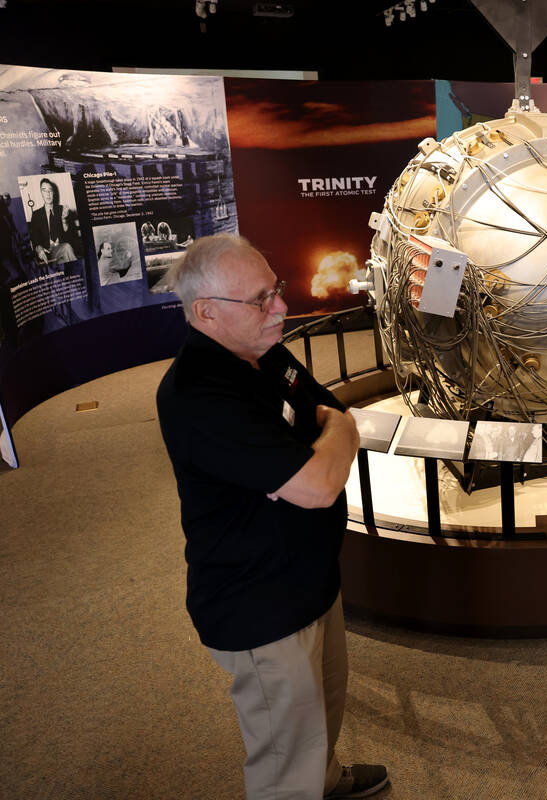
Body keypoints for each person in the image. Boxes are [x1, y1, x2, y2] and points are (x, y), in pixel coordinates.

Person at [156, 234, 389, 800]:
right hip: (260, 605)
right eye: (260, 299)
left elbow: (327, 411)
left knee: (323, 712)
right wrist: (337, 435)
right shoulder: (200, 396)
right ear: (205, 312)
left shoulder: (263, 352)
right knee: (287, 753)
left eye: (276, 290)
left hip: (308, 578)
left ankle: (327, 783)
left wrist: (331, 431)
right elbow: (318, 482)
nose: (282, 307)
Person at [29, 177, 81, 264]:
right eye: (44, 190)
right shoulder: (36, 214)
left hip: (63, 248)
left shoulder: (62, 210)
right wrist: (39, 248)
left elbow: (70, 237)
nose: (48, 193)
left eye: (50, 190)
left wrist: (64, 219)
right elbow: (34, 237)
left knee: (66, 249)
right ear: (41, 193)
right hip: (48, 253)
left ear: (54, 193)